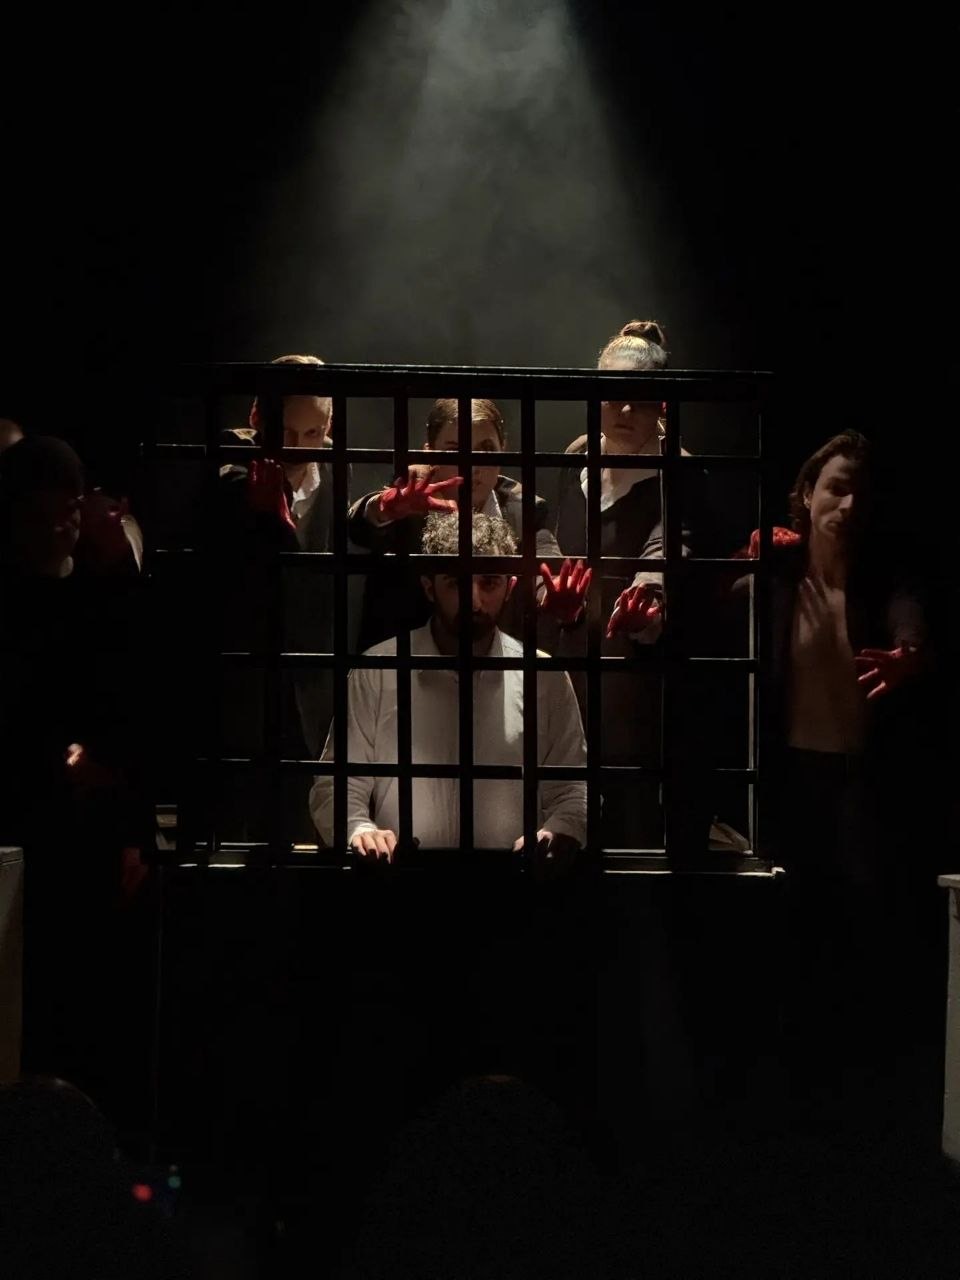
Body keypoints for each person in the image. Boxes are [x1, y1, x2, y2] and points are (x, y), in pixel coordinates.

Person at [737, 431, 929, 1121]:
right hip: (788, 780)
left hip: (858, 783)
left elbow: (909, 621)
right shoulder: (776, 574)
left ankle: (856, 1102)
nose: (847, 505)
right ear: (807, 494)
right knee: (784, 937)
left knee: (860, 938)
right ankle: (781, 1095)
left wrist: (911, 656)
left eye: (860, 493)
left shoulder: (882, 579)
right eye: (836, 488)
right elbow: (721, 602)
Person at [310, 512, 587, 857]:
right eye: (457, 582)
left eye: (489, 583)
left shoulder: (543, 676)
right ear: (429, 587)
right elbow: (336, 784)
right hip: (402, 877)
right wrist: (359, 831)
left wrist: (560, 830)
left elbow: (574, 789)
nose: (473, 600)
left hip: (512, 880)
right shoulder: (379, 669)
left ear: (510, 587)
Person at [553, 320, 709, 852]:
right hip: (572, 655)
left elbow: (670, 543)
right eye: (612, 395)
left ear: (662, 405)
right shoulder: (578, 454)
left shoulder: (677, 470)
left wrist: (648, 596)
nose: (623, 410)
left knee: (630, 816)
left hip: (638, 671)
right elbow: (558, 544)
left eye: (640, 400)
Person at [347, 397, 567, 652]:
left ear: (503, 450)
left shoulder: (524, 509)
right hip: (404, 664)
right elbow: (359, 529)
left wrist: (550, 590)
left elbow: (546, 562)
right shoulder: (408, 500)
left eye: (486, 450)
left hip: (492, 665)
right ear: (429, 454)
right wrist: (383, 508)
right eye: (454, 451)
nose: (472, 466)